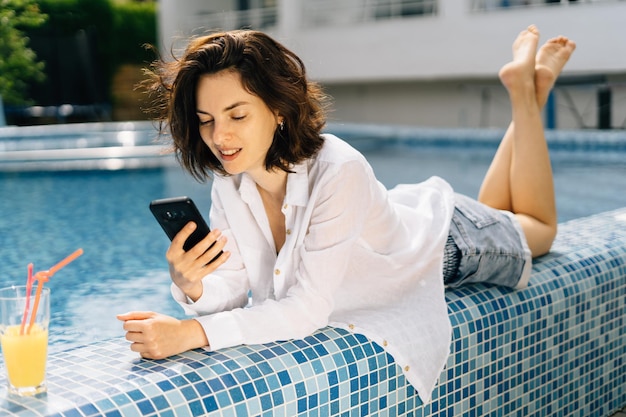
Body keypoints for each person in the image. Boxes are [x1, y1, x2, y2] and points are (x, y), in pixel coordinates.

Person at [117, 25, 576, 401]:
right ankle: (527, 91)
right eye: (206, 119)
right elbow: (236, 286)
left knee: (540, 230)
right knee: (498, 208)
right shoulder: (230, 183)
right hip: (408, 217)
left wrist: (190, 332)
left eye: (237, 116)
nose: (220, 136)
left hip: (449, 240)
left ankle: (524, 95)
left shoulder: (340, 168)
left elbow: (305, 310)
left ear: (278, 110)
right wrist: (193, 285)